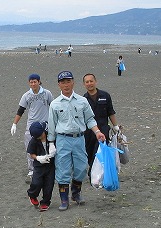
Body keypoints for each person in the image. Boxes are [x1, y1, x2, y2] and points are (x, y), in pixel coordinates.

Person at [47, 71, 105, 211]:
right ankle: (64, 199)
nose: (66, 85)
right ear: (59, 85)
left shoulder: (82, 101)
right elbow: (52, 125)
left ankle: (76, 192)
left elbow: (90, 119)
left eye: (68, 81)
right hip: (62, 140)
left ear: (73, 82)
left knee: (81, 168)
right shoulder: (55, 104)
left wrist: (97, 132)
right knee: (63, 169)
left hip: (79, 138)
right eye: (63, 82)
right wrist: (50, 144)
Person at [11, 74, 53, 183]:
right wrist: (14, 124)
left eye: (35, 81)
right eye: (31, 82)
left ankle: (49, 167)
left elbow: (53, 107)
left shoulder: (47, 93)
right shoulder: (26, 96)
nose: (33, 84)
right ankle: (32, 169)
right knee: (30, 148)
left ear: (39, 82)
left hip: (45, 125)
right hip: (31, 126)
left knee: (48, 147)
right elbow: (21, 110)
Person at [82, 73, 119, 178]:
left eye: (91, 81)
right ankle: (93, 170)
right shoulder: (83, 100)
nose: (89, 83)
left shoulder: (105, 96)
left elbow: (111, 112)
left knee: (100, 152)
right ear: (84, 84)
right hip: (88, 131)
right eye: (87, 82)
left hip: (103, 129)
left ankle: (96, 174)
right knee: (89, 152)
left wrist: (115, 126)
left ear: (95, 81)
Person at [27, 121, 55, 212]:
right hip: (39, 166)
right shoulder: (34, 141)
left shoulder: (50, 136)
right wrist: (38, 158)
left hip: (50, 165)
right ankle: (32, 195)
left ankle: (45, 202)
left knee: (49, 185)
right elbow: (31, 153)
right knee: (36, 182)